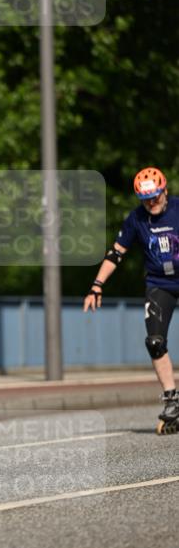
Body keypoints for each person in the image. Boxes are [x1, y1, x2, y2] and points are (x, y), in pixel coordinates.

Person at [83, 166, 179, 434]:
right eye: (145, 198)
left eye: (156, 197)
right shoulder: (136, 219)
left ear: (165, 191)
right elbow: (116, 254)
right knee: (155, 342)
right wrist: (96, 286)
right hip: (160, 284)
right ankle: (172, 401)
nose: (151, 203)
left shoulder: (177, 209)